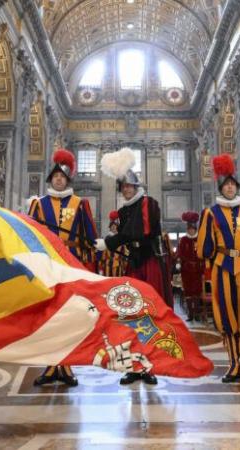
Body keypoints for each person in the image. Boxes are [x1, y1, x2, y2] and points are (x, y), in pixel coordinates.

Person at [96, 148, 169, 385]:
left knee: (150, 315)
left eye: (129, 186)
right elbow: (128, 236)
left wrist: (109, 242)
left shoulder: (149, 203)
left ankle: (150, 367)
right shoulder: (125, 211)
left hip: (149, 265)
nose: (126, 189)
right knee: (131, 316)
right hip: (134, 265)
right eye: (123, 187)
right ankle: (135, 367)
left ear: (136, 186)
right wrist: (112, 242)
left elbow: (140, 231)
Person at [28, 148, 98, 387]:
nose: (58, 179)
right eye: (55, 176)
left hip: (71, 262)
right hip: (48, 263)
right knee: (49, 314)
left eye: (62, 177)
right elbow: (31, 235)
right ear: (51, 179)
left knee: (69, 314)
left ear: (68, 180)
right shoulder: (38, 205)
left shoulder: (80, 203)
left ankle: (66, 366)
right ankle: (50, 366)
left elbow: (89, 234)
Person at [197, 154, 240, 384]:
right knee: (227, 318)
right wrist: (208, 272)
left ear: (236, 188)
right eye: (226, 185)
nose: (229, 187)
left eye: (233, 185)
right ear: (221, 187)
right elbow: (205, 246)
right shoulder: (211, 213)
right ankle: (233, 364)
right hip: (221, 267)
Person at [177, 211, 204, 321]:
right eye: (189, 229)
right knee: (188, 292)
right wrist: (185, 262)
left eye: (193, 229)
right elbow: (180, 253)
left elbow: (203, 254)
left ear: (195, 229)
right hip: (186, 270)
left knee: (197, 292)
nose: (191, 230)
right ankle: (190, 314)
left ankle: (197, 314)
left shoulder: (200, 239)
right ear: (187, 229)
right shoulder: (183, 240)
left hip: (198, 270)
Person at [99, 211, 127, 277]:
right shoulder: (106, 240)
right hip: (107, 265)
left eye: (115, 227)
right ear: (110, 228)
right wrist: (101, 266)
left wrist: (124, 266)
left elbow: (124, 254)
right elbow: (103, 255)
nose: (114, 228)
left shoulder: (121, 241)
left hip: (118, 265)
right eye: (112, 227)